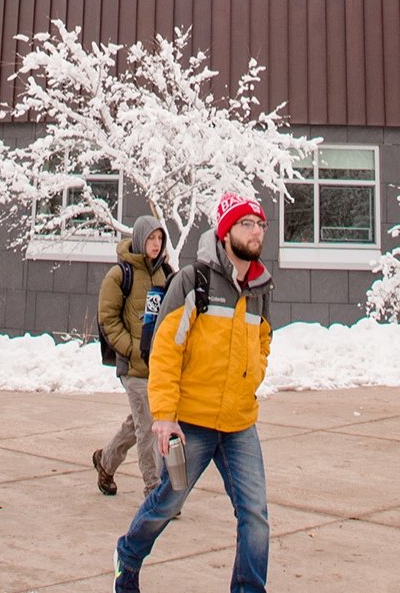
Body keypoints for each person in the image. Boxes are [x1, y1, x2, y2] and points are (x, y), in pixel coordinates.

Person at [114, 193, 274, 593]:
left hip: (239, 423)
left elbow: (263, 342)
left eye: (261, 225)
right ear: (225, 232)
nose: (256, 233)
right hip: (193, 422)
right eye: (246, 224)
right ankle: (128, 557)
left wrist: (251, 378)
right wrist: (164, 415)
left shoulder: (260, 287)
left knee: (254, 514)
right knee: (169, 502)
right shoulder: (193, 281)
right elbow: (166, 351)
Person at [93, 216, 175, 498]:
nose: (156, 244)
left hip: (158, 366)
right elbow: (108, 320)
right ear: (141, 240)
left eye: (160, 239)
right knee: (148, 429)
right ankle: (155, 490)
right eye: (151, 238)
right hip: (133, 367)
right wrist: (130, 348)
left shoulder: (165, 273)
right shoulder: (119, 275)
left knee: (138, 421)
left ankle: (106, 462)